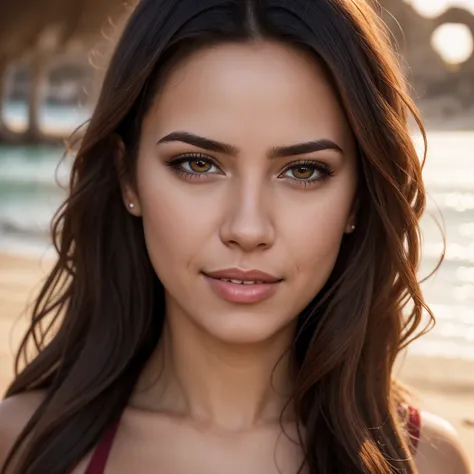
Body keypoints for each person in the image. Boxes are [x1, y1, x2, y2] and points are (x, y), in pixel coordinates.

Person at [0, 0, 471, 473]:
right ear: (128, 178)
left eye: (303, 170)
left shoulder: (425, 460)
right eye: (198, 164)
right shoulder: (20, 446)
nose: (248, 229)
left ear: (357, 198)